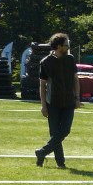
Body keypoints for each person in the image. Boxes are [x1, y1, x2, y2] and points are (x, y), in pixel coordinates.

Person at [36, 32, 81, 168]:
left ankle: (42, 152)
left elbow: (75, 80)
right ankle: (60, 163)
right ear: (59, 46)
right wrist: (44, 106)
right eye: (66, 45)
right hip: (53, 102)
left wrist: (77, 98)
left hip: (68, 102)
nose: (68, 47)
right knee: (55, 134)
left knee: (65, 130)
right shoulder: (46, 62)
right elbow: (42, 86)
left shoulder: (70, 59)